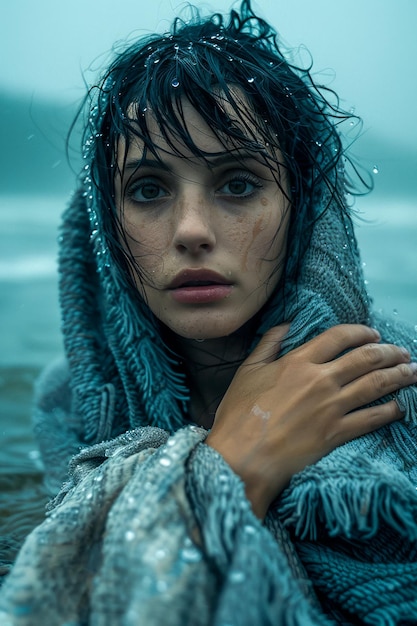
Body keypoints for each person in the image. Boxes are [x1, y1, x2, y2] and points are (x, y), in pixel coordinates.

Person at [1, 1, 417, 623]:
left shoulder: (394, 391)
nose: (191, 230)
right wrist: (237, 462)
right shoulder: (72, 407)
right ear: (108, 229)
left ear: (303, 211)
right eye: (148, 189)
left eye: (238, 183)